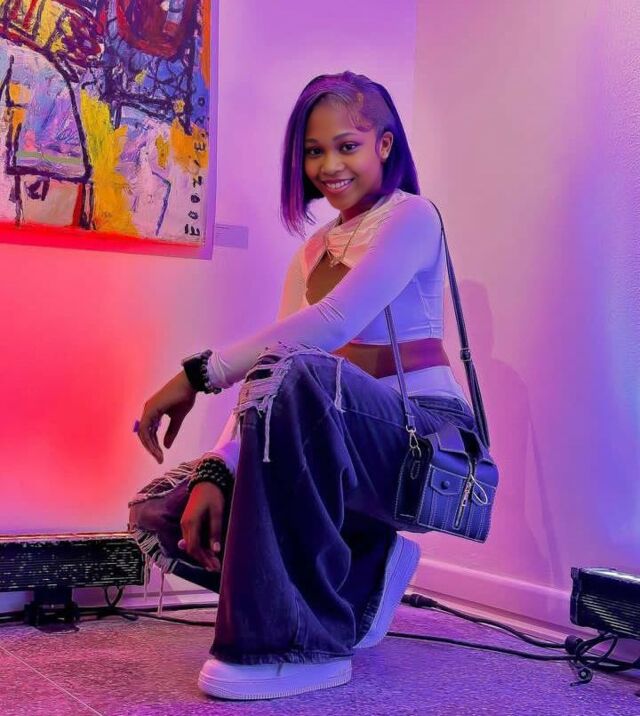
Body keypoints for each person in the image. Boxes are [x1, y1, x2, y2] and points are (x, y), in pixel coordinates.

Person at [130, 71, 476, 701]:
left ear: (385, 146)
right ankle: (361, 573)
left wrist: (198, 375)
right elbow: (274, 376)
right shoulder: (312, 250)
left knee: (304, 371)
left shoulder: (414, 217)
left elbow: (332, 323)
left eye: (347, 146)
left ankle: (300, 642)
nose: (328, 165)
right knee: (162, 512)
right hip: (334, 428)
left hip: (421, 433)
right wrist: (216, 469)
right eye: (314, 151)